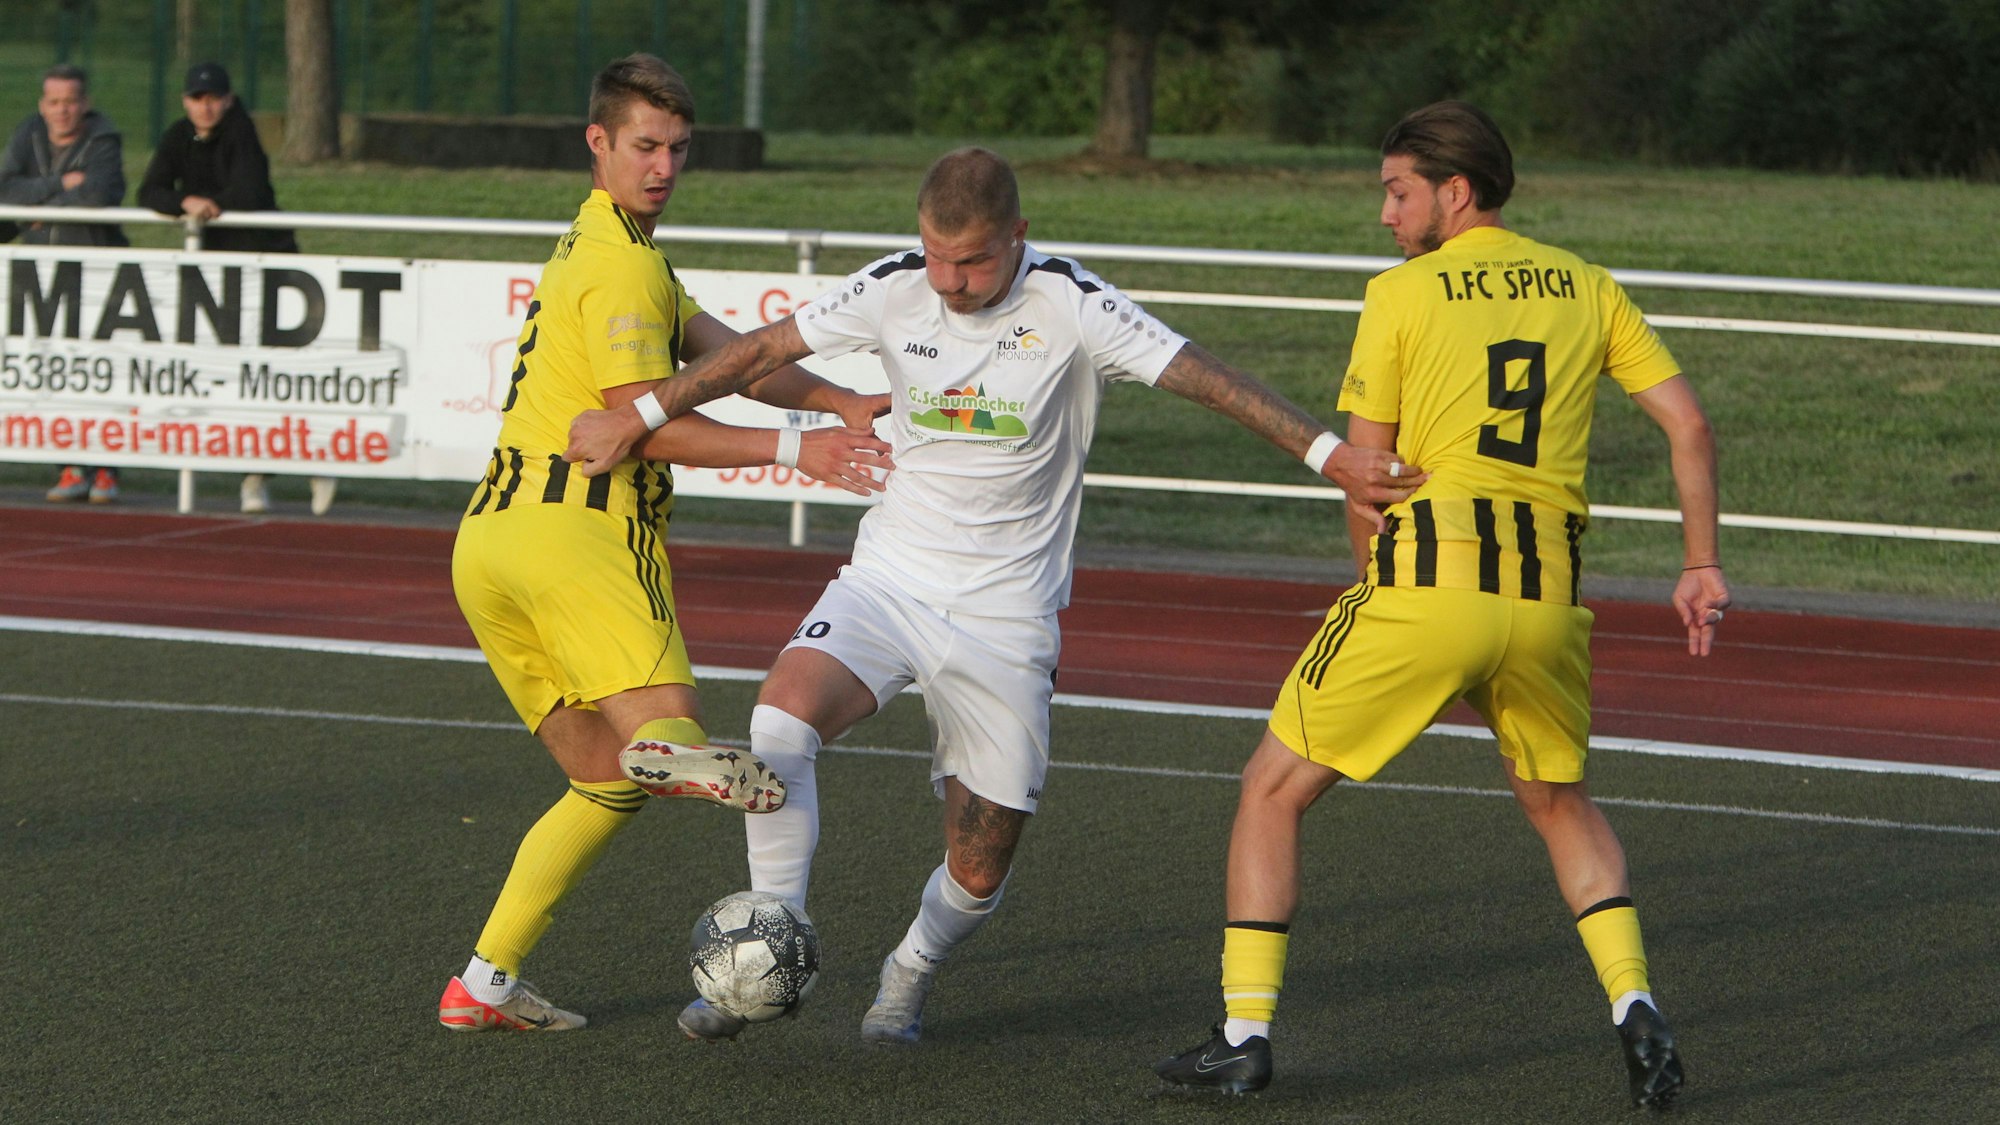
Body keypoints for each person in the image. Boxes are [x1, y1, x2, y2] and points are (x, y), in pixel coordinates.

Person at [565, 146, 1419, 1046]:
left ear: (1017, 237)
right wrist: (640, 416)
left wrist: (1333, 459)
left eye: (971, 261)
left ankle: (910, 970)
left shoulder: (1072, 302)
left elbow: (1209, 379)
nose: (950, 280)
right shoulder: (896, 286)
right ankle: (769, 950)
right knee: (781, 722)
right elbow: (761, 350)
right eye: (936, 256)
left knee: (978, 866)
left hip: (1007, 617)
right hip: (890, 580)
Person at [1150, 102, 1728, 1110]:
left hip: (1429, 584)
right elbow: (1685, 423)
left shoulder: (1401, 294)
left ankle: (1242, 1036)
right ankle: (1632, 1003)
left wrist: (1374, 586)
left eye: (1396, 190)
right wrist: (1698, 563)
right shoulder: (1587, 285)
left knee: (1269, 789)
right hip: (1547, 600)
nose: (1383, 213)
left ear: (1452, 193)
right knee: (1557, 803)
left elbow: (1365, 476)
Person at [439, 53, 892, 1033]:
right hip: (581, 534)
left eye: (677, 149)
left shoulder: (603, 244)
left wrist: (832, 397)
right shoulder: (620, 267)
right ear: (597, 143)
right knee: (656, 737)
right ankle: (678, 750)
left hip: (488, 547)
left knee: (598, 783)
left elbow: (720, 358)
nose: (663, 166)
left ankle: (482, 983)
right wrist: (796, 449)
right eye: (644, 146)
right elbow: (632, 424)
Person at [137, 62, 333, 515]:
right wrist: (184, 202)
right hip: (219, 275)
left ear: (227, 99)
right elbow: (149, 191)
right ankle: (258, 472)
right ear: (185, 101)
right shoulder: (176, 135)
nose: (204, 107)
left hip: (269, 267)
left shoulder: (242, 133)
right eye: (195, 98)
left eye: (212, 98)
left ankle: (306, 461)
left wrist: (212, 206)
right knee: (231, 376)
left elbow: (250, 190)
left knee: (277, 376)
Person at [2, 64, 129, 504]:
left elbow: (98, 194)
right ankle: (70, 465)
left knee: (99, 369)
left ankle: (107, 469)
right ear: (43, 105)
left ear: (85, 103)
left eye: (70, 101)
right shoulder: (28, 135)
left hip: (96, 270)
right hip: (38, 273)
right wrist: (58, 186)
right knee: (54, 369)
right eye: (54, 102)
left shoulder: (103, 140)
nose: (62, 111)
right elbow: (4, 190)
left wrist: (42, 205)